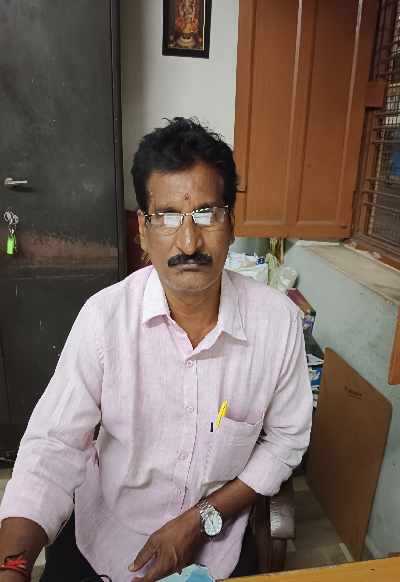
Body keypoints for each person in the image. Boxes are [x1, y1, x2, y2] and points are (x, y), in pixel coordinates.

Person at [0, 117, 312, 582]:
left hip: (215, 544)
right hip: (105, 539)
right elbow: (53, 445)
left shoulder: (277, 323)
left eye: (206, 214)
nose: (188, 241)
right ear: (143, 232)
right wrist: (12, 564)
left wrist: (201, 518)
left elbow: (286, 440)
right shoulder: (105, 318)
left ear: (231, 223)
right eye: (166, 217)